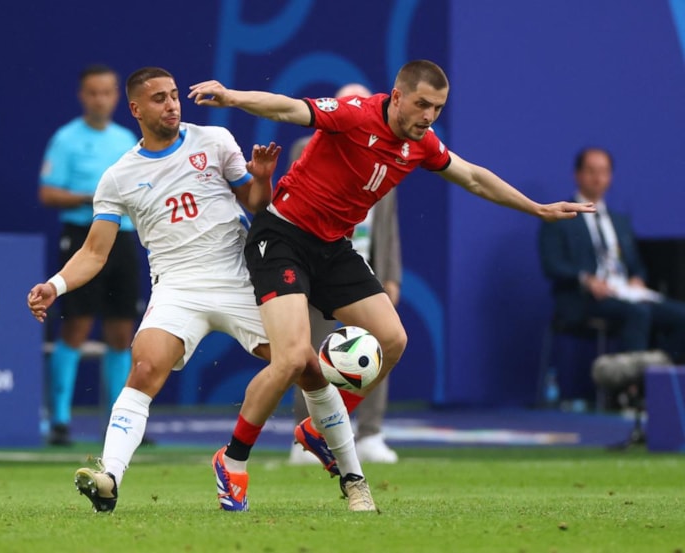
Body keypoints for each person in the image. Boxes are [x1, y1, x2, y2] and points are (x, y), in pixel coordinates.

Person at [188, 60, 593, 473]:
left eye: (438, 108)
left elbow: (473, 177)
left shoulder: (422, 143)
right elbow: (287, 108)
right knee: (292, 360)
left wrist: (536, 208)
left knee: (392, 339)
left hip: (332, 247)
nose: (429, 116)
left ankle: (320, 428)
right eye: (422, 104)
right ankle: (233, 461)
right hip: (284, 237)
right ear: (397, 97)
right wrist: (232, 97)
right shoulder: (354, 114)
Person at [28, 67, 371, 514]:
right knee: (145, 366)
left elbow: (258, 206)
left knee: (305, 364)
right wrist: (55, 285)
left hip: (238, 276)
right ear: (136, 109)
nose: (171, 104)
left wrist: (262, 178)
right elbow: (94, 252)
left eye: (174, 95)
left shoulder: (214, 141)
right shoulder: (119, 176)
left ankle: (353, 478)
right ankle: (109, 477)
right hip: (177, 287)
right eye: (159, 98)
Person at [288, 83, 401, 465]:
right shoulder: (308, 149)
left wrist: (392, 275)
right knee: (308, 354)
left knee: (382, 346)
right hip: (317, 264)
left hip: (362, 268)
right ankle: (307, 435)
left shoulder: (391, 150)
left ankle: (370, 432)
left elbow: (389, 224)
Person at [39, 64, 140, 446]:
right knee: (77, 327)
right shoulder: (66, 139)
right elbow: (48, 193)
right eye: (93, 93)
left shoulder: (126, 138)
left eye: (107, 92)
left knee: (121, 332)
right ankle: (60, 421)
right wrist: (92, 199)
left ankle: (120, 422)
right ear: (83, 96)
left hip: (122, 238)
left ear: (117, 97)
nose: (100, 99)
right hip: (83, 236)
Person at [539, 147, 685, 363]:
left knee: (680, 315)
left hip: (625, 293)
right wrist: (587, 279)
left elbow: (635, 264)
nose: (598, 178)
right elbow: (552, 265)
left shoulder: (620, 221)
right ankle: (629, 382)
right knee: (639, 313)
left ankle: (660, 375)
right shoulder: (560, 217)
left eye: (603, 172)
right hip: (585, 298)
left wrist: (637, 278)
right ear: (577, 174)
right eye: (591, 171)